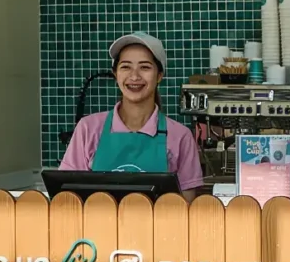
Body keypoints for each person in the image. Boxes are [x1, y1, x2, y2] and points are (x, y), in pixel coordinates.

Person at [60, 32, 203, 201]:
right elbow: (67, 198)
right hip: (98, 227)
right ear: (115, 74)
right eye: (126, 67)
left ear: (159, 75)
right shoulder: (88, 128)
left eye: (145, 67)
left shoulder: (180, 136)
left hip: (160, 228)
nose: (134, 76)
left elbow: (185, 207)